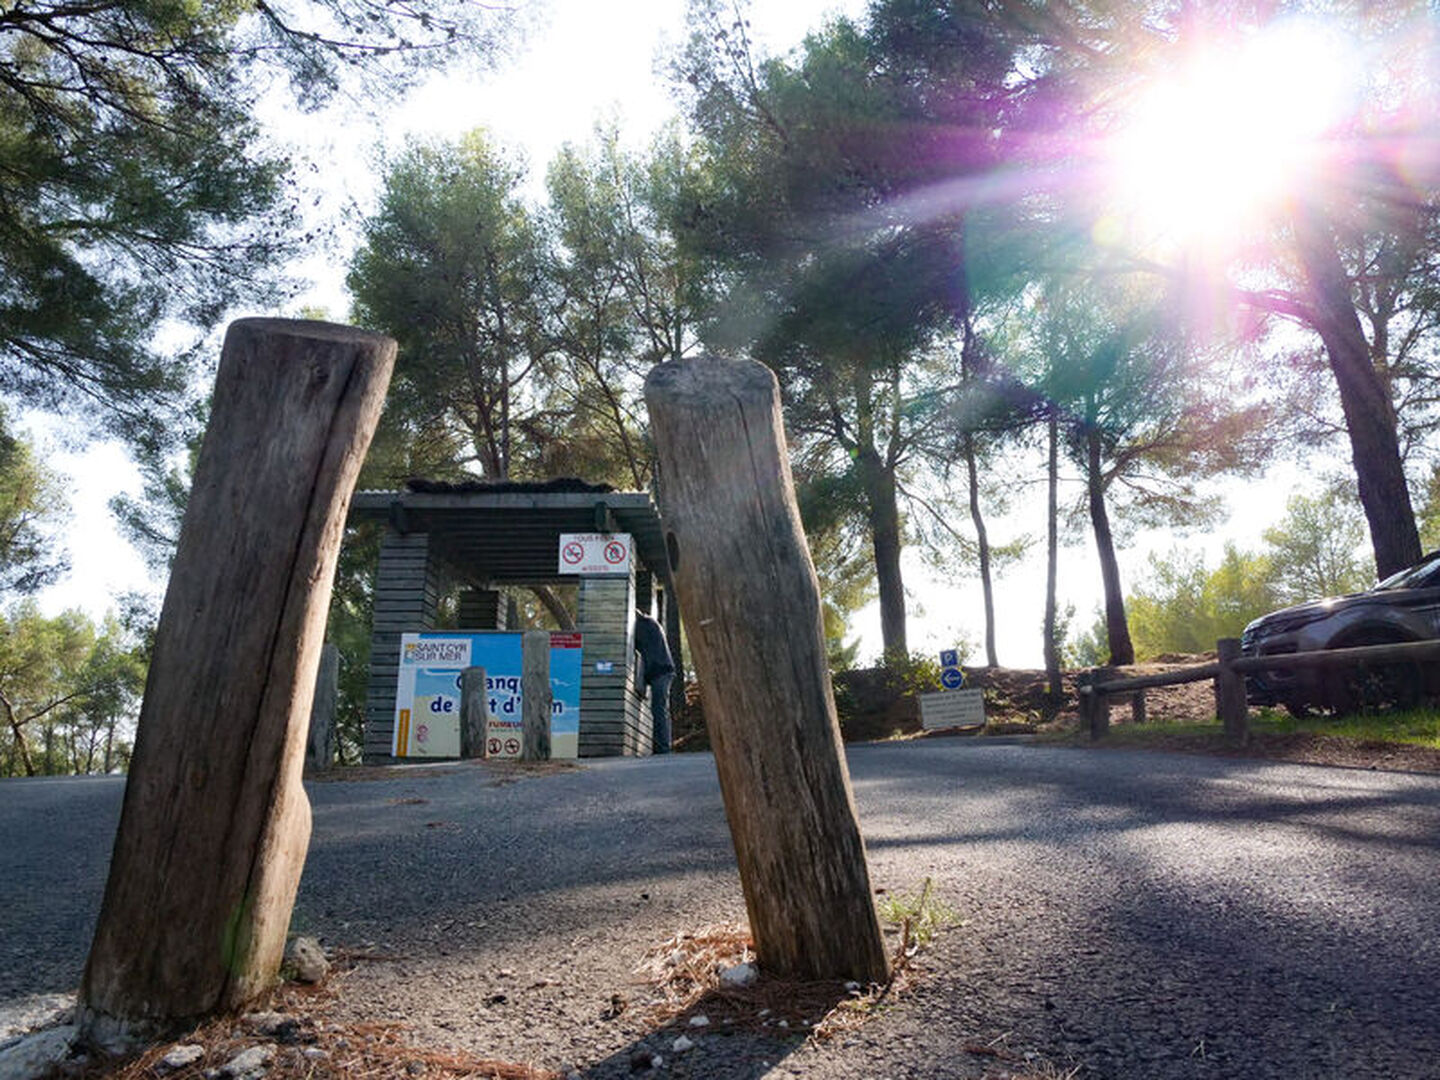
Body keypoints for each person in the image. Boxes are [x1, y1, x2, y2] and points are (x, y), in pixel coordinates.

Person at [633, 608, 676, 754]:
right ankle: (663, 746)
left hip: (660, 671)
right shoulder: (650, 623)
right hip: (664, 670)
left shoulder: (643, 625)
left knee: (659, 709)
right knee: (661, 709)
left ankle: (663, 748)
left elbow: (634, 643)